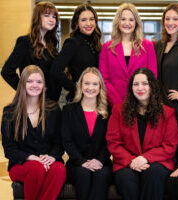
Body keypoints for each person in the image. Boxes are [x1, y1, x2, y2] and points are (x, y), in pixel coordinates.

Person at [106, 68, 178, 200]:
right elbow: (113, 142)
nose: (140, 88)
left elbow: (170, 146)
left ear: (152, 86)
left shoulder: (167, 113)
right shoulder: (119, 110)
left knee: (154, 173)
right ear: (131, 87)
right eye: (136, 84)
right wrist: (131, 161)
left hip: (158, 163)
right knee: (126, 178)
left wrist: (145, 158)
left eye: (145, 84)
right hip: (126, 162)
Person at [1, 65, 66, 200]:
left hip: (49, 161)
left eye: (39, 82)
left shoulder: (53, 109)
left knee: (59, 169)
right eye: (29, 81)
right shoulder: (10, 112)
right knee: (36, 168)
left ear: (43, 85)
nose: (34, 85)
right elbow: (9, 149)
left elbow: (59, 142)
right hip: (22, 164)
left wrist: (52, 157)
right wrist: (31, 157)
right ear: (22, 84)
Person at [62, 67, 112, 200]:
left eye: (95, 84)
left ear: (100, 87)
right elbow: (67, 141)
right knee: (83, 174)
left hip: (102, 163)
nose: (90, 87)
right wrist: (82, 161)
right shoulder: (69, 110)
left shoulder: (108, 111)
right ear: (80, 85)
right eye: (87, 83)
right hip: (76, 164)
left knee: (101, 175)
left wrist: (100, 161)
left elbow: (110, 141)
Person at [99, 3, 157, 106]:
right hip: (114, 104)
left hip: (141, 103)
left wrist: (141, 100)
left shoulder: (147, 46)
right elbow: (104, 79)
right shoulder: (107, 48)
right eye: (123, 19)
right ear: (118, 22)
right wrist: (117, 102)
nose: (127, 23)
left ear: (136, 23)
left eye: (131, 19)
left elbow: (152, 77)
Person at [1, 1, 61, 101]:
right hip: (33, 101)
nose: (52, 20)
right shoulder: (25, 42)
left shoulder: (51, 44)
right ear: (37, 18)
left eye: (54, 17)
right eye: (47, 15)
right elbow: (7, 71)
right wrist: (24, 90)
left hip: (52, 101)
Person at [51, 4, 102, 101]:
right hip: (79, 100)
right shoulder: (72, 43)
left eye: (91, 19)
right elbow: (55, 70)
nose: (89, 23)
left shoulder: (96, 44)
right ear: (77, 23)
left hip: (96, 98)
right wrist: (75, 88)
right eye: (83, 20)